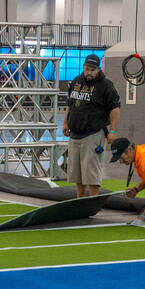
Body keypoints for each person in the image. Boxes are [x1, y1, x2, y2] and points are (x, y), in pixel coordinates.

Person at [63, 54, 120, 198]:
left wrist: (113, 131)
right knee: (77, 173)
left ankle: (92, 202)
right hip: (75, 133)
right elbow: (70, 104)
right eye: (87, 69)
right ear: (83, 67)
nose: (89, 72)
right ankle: (79, 201)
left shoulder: (106, 85)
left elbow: (115, 109)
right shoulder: (77, 81)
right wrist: (65, 122)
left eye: (92, 70)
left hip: (93, 134)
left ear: (98, 69)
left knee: (91, 173)